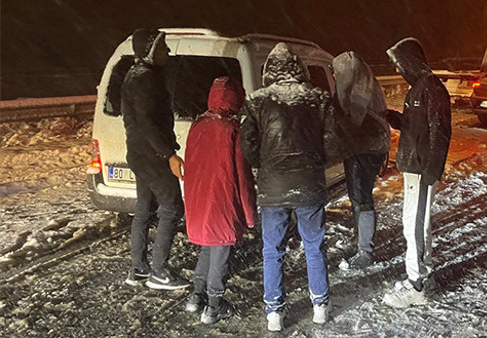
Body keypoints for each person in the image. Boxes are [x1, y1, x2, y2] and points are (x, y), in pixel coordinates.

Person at [240, 43, 338, 332]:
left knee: (273, 250)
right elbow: (333, 141)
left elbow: (247, 144)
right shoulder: (318, 100)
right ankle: (320, 305)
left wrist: (266, 163)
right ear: (300, 69)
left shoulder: (257, 102)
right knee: (314, 246)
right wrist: (315, 161)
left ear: (268, 71)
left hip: (273, 187)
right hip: (309, 185)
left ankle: (275, 312)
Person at [381, 38, 452, 308]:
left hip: (422, 171)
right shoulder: (417, 90)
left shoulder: (432, 89)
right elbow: (414, 128)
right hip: (413, 168)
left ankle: (417, 285)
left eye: (399, 64)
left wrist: (431, 171)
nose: (398, 69)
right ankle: (425, 275)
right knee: (413, 225)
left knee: (415, 227)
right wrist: (392, 117)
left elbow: (441, 133)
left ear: (410, 61)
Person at [183, 77, 257, 324]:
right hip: (223, 203)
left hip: (200, 202)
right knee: (221, 253)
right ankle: (213, 307)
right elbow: (242, 176)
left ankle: (195, 297)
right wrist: (249, 214)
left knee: (207, 248)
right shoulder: (233, 130)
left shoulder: (198, 126)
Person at [121, 28, 188, 290]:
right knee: (172, 207)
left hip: (138, 153)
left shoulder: (133, 74)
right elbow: (149, 123)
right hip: (152, 156)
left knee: (144, 209)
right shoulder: (147, 78)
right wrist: (169, 154)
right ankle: (159, 272)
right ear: (150, 49)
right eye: (163, 47)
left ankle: (138, 268)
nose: (167, 52)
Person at [332, 52, 391, 270]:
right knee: (358, 196)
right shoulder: (369, 82)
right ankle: (361, 240)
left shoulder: (358, 91)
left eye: (338, 73)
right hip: (369, 149)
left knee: (362, 197)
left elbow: (352, 120)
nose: (337, 77)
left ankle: (365, 251)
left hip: (364, 150)